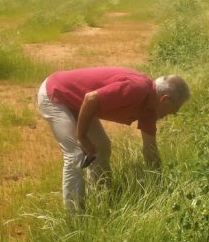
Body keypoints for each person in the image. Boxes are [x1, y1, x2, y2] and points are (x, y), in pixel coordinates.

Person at [36, 67, 190, 210]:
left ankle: (100, 198)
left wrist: (160, 189)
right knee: (75, 154)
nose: (174, 114)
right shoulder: (137, 88)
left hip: (79, 103)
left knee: (101, 146)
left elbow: (150, 152)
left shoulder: (150, 110)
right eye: (175, 109)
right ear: (165, 100)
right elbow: (91, 99)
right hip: (56, 94)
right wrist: (81, 137)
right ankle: (74, 216)